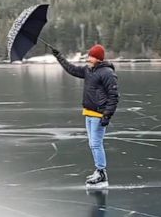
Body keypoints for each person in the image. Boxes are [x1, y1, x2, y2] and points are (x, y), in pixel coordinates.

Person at [51, 44, 119, 188]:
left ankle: (101, 173)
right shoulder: (89, 70)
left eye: (91, 56)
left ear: (98, 58)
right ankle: (99, 171)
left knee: (96, 144)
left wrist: (107, 115)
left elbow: (114, 96)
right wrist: (59, 57)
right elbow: (72, 69)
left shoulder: (107, 73)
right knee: (92, 144)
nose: (88, 58)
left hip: (98, 115)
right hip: (88, 113)